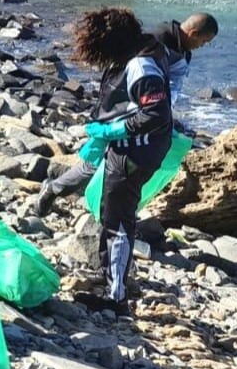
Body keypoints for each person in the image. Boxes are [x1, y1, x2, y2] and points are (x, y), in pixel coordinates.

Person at [47, 7, 179, 315]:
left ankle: (116, 297)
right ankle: (110, 277)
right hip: (131, 148)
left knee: (118, 219)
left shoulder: (141, 66)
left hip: (135, 152)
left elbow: (155, 115)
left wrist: (112, 130)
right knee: (111, 211)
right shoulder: (144, 49)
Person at [34, 11, 218, 216]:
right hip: (125, 109)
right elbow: (127, 76)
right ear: (193, 33)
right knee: (100, 162)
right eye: (204, 41)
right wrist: (124, 120)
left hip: (144, 111)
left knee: (110, 164)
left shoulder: (182, 50)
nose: (204, 46)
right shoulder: (159, 39)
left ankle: (103, 208)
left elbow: (167, 85)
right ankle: (59, 191)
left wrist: (162, 110)